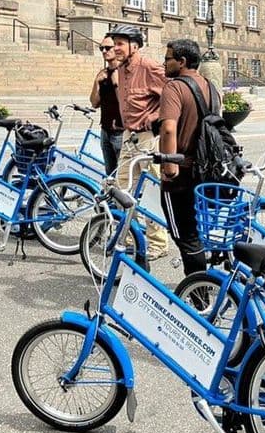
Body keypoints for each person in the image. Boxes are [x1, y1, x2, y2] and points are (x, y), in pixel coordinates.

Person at [110, 24, 168, 262]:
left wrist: (153, 118)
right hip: (128, 136)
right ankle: (131, 236)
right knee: (122, 189)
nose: (116, 48)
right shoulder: (120, 70)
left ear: (134, 45)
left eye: (120, 43)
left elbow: (173, 95)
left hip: (147, 138)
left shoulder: (149, 67)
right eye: (114, 43)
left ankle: (158, 243)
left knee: (153, 191)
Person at [158, 39, 209, 276]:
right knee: (195, 232)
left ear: (182, 61)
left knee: (185, 236)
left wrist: (169, 166)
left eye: (168, 58)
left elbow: (169, 128)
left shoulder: (174, 87)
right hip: (204, 169)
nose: (164, 63)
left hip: (181, 171)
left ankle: (199, 296)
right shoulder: (209, 85)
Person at [88, 36, 121, 175]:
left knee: (122, 175)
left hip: (120, 131)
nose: (104, 51)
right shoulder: (103, 74)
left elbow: (127, 103)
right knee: (110, 173)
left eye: (108, 48)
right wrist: (97, 82)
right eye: (102, 48)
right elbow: (94, 103)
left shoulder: (125, 73)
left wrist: (116, 84)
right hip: (105, 130)